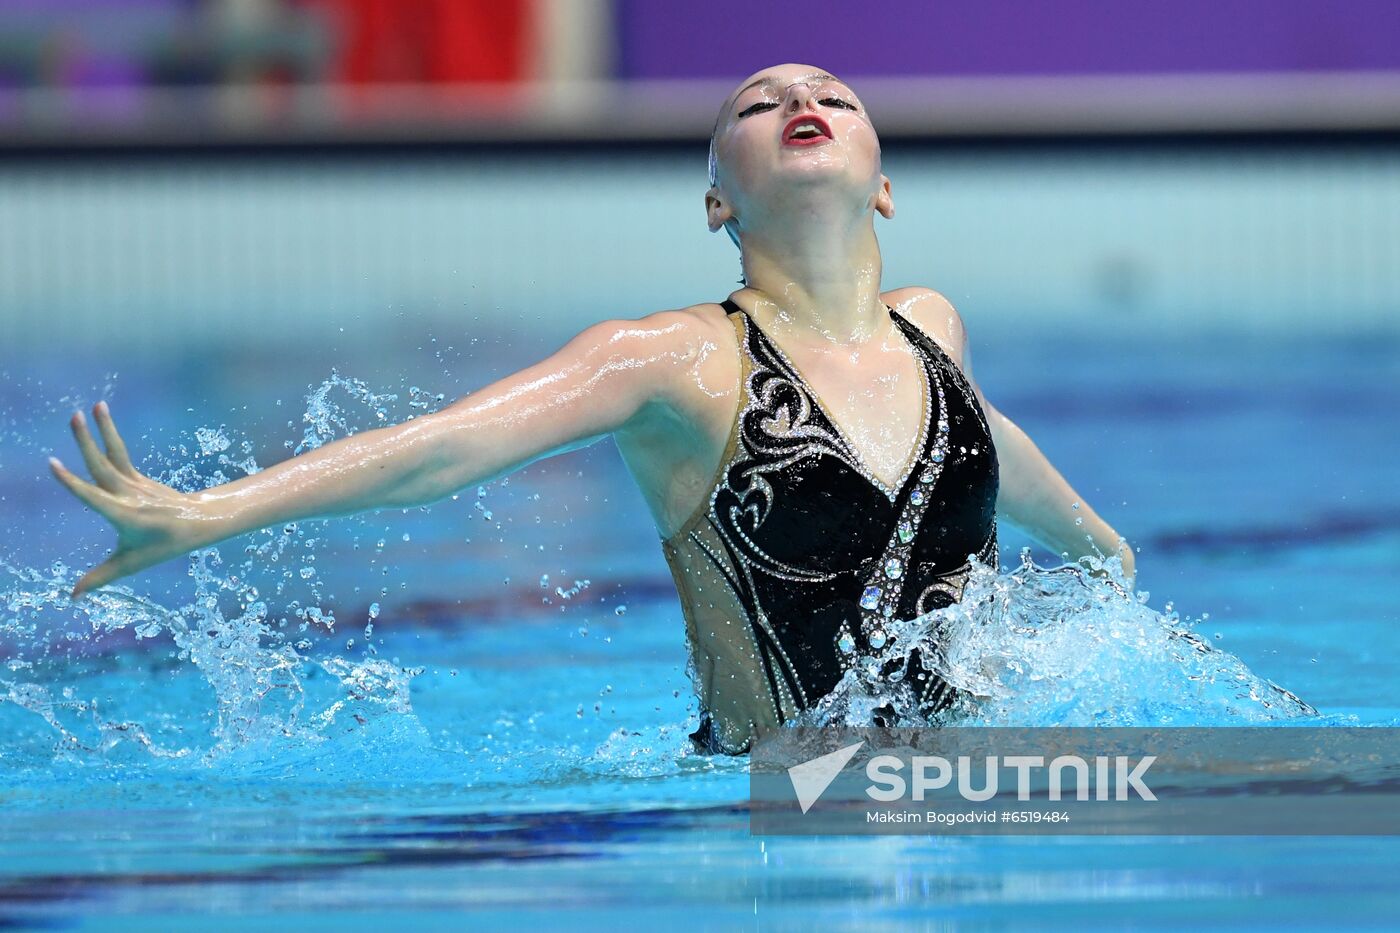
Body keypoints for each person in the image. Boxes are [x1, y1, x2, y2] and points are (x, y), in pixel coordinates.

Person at [49, 63, 1134, 755]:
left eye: (832, 98)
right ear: (718, 199)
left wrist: (1100, 548)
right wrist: (206, 514)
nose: (801, 104)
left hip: (978, 802)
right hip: (777, 821)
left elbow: (978, 437)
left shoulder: (928, 325)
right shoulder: (670, 362)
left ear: (882, 184)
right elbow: (436, 450)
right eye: (758, 105)